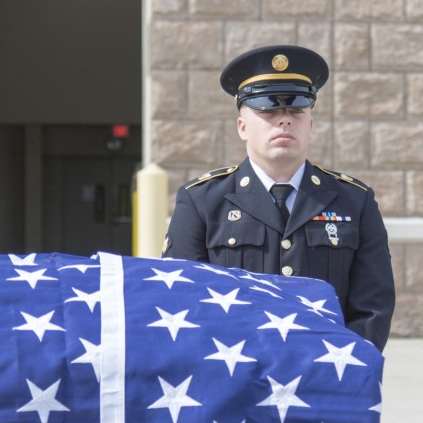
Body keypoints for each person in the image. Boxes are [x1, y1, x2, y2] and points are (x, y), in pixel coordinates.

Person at [161, 45, 395, 351]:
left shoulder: (354, 200)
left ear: (310, 126)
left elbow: (373, 305)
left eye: (297, 110)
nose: (284, 120)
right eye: (268, 110)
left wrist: (344, 366)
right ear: (243, 127)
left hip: (325, 377)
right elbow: (182, 301)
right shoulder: (202, 202)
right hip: (236, 377)